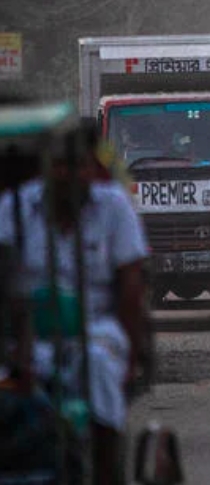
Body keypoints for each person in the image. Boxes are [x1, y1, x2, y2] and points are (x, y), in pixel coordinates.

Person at [0, 128, 149, 485]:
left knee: (97, 367)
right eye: (61, 166)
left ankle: (104, 470)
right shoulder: (14, 207)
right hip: (26, 332)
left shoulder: (113, 205)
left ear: (90, 168)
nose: (70, 175)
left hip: (95, 327)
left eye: (78, 166)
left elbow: (131, 285)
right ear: (47, 168)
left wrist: (133, 355)